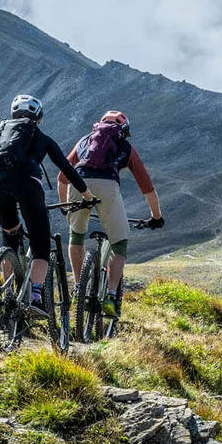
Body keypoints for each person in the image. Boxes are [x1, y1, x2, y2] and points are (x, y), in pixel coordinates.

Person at [0, 94, 89, 308]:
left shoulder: (2, 136)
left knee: (10, 234)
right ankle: (35, 297)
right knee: (40, 244)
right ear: (39, 118)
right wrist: (87, 196)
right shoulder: (43, 139)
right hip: (28, 184)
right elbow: (67, 169)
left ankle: (8, 292)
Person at [60, 110, 163, 318]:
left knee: (76, 234)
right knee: (119, 242)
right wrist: (156, 217)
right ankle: (110, 295)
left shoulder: (84, 142)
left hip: (78, 183)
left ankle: (79, 288)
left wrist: (65, 207)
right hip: (107, 185)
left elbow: (62, 177)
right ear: (124, 132)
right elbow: (147, 187)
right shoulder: (126, 147)